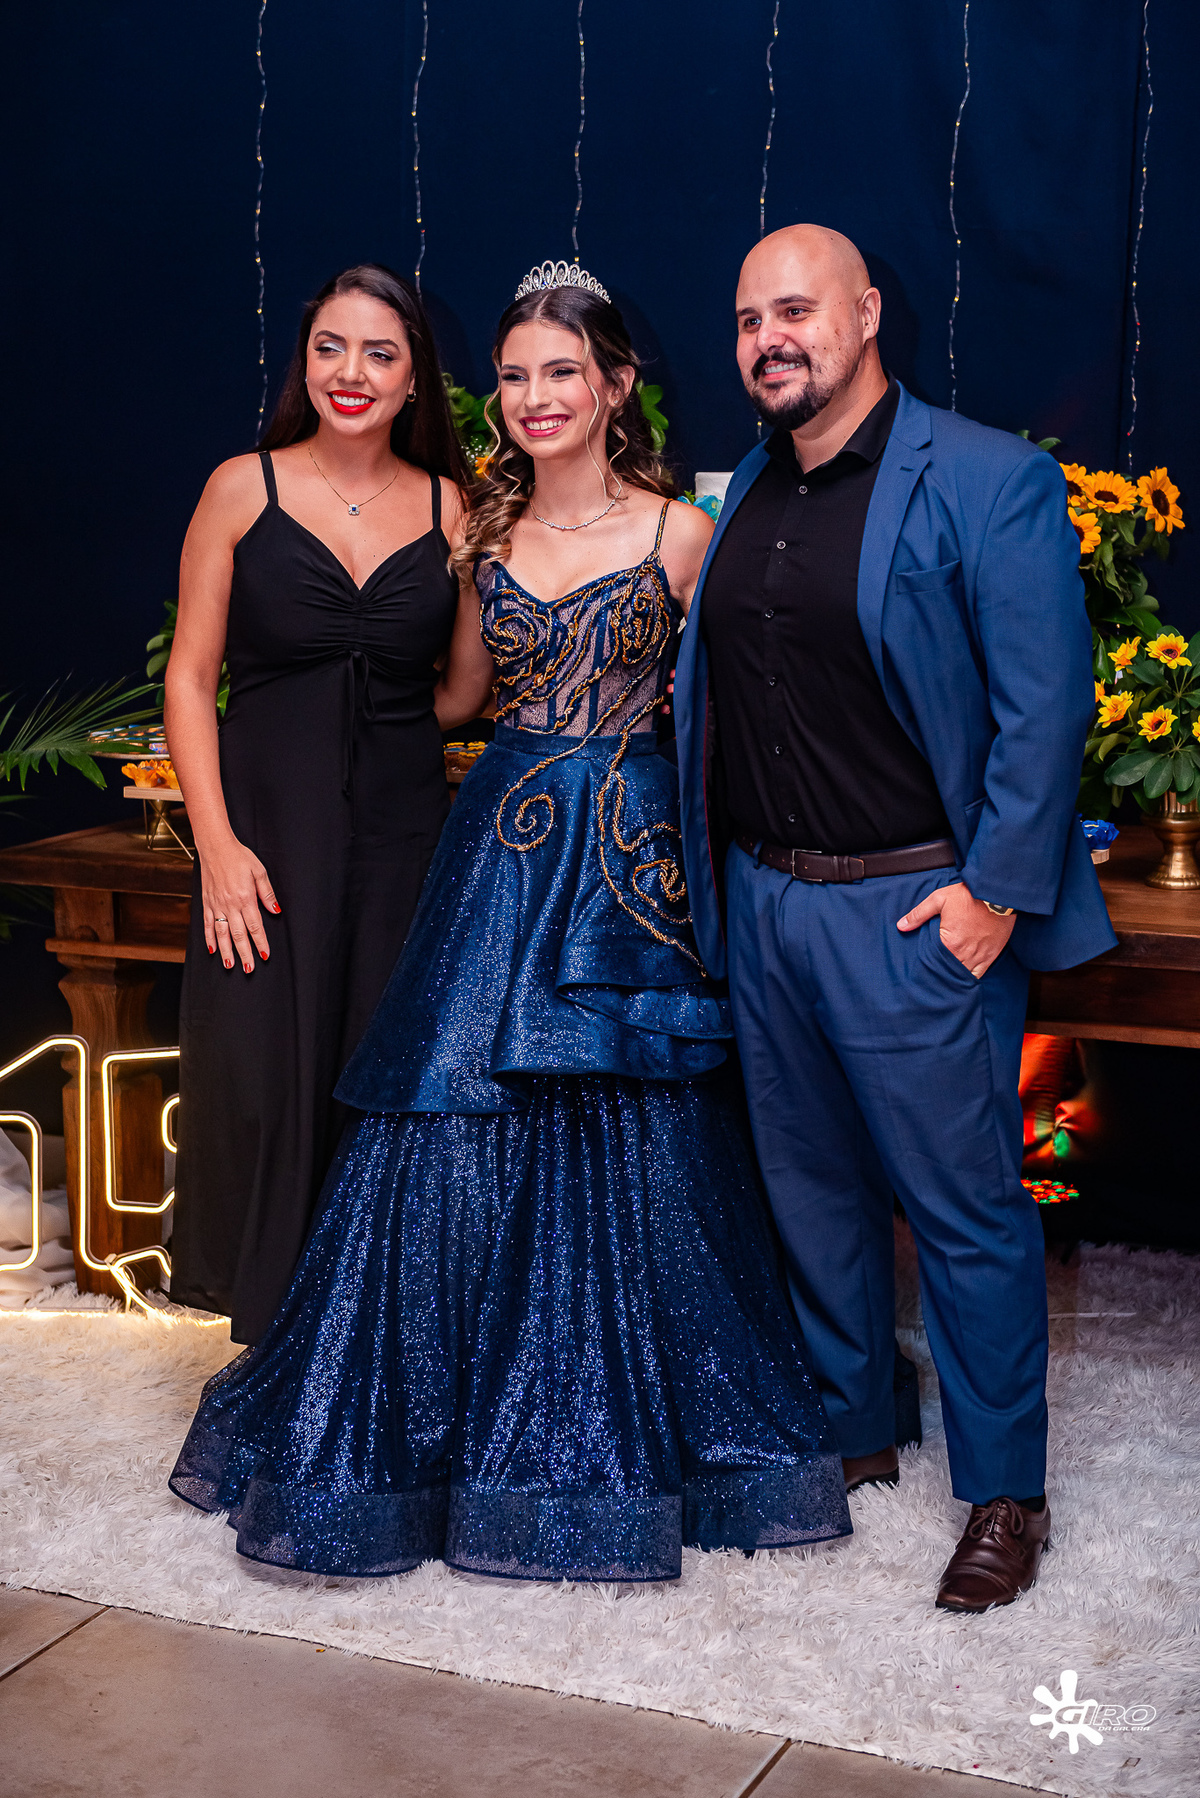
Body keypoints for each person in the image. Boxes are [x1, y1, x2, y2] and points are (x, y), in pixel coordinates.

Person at [168, 262, 851, 1581]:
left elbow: (740, 702)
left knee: (638, 1115)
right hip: (501, 840)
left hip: (633, 852)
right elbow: (456, 699)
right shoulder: (480, 540)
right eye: (518, 375)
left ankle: (626, 1412)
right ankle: (445, 1402)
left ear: (616, 386)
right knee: (449, 1107)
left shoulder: (685, 534)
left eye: (562, 372)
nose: (537, 396)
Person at [673, 224, 1117, 1613]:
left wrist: (995, 893)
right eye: (747, 319)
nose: (768, 339)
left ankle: (1005, 1490)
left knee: (965, 1209)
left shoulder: (986, 476)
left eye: (795, 310)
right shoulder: (749, 483)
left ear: (867, 315)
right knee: (809, 1190)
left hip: (917, 909)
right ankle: (856, 1418)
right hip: (769, 903)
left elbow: (1046, 706)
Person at [166, 264, 469, 1345]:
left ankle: (362, 1349)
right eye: (331, 347)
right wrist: (216, 844)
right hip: (264, 838)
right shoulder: (239, 488)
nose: (352, 372)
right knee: (260, 1081)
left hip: (400, 842)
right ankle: (270, 1340)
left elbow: (463, 692)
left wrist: (385, 730)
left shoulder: (452, 507)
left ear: (414, 379)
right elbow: (189, 678)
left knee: (376, 1082)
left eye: (380, 353)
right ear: (305, 363)